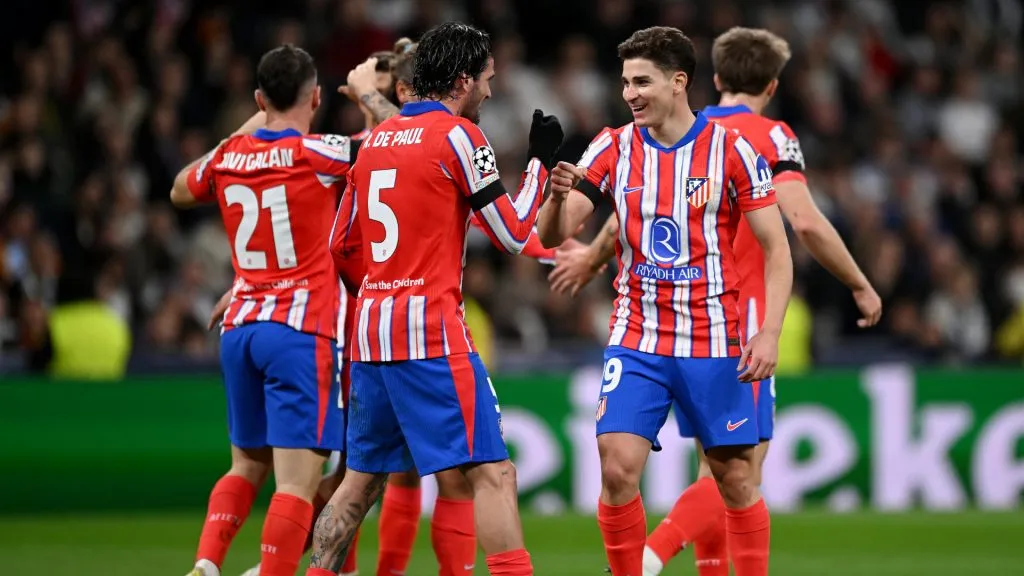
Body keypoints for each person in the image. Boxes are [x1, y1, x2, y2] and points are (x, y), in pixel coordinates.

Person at [547, 27, 883, 576]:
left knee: (733, 476)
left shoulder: (733, 149)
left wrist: (769, 333)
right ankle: (643, 562)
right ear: (769, 85)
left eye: (641, 82)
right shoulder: (620, 144)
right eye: (625, 82)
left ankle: (680, 559)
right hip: (640, 334)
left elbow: (779, 245)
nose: (629, 93)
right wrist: (561, 208)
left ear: (684, 82)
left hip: (716, 334)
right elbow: (582, 222)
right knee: (618, 467)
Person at [304, 22, 564, 576]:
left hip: (370, 333)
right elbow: (513, 233)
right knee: (493, 474)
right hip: (431, 334)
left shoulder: (374, 141)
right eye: (486, 79)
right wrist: (539, 163)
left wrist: (381, 291)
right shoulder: (460, 138)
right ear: (463, 80)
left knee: (359, 483)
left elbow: (340, 244)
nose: (489, 92)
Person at [170, 44, 358, 576]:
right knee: (296, 483)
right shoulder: (316, 153)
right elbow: (390, 147)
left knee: (246, 464)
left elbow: (180, 189)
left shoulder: (229, 155)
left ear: (258, 99)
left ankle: (206, 564)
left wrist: (253, 127)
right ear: (316, 97)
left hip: (240, 327)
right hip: (299, 332)